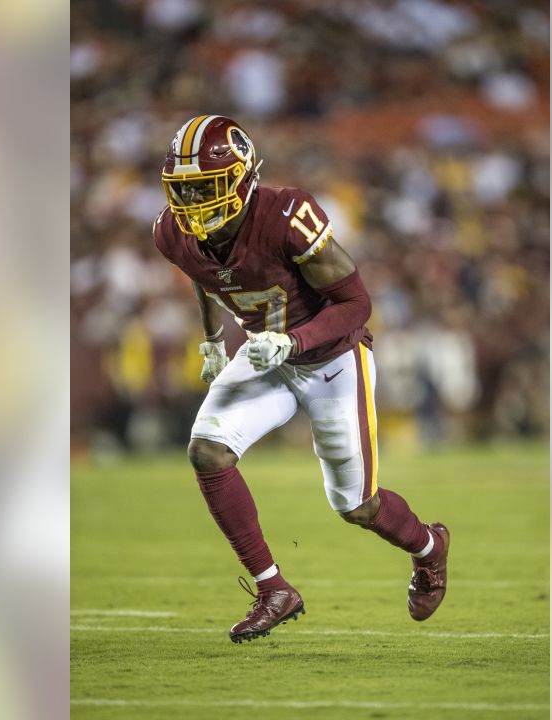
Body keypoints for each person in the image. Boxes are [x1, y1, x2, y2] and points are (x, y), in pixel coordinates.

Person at [152, 114, 450, 643]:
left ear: (242, 178)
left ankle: (428, 548)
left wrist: (294, 341)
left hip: (331, 357)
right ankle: (274, 589)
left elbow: (357, 304)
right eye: (185, 188)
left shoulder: (289, 213)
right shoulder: (170, 231)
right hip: (267, 356)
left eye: (207, 186)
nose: (195, 201)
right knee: (208, 451)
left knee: (357, 506)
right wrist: (214, 340)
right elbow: (203, 276)